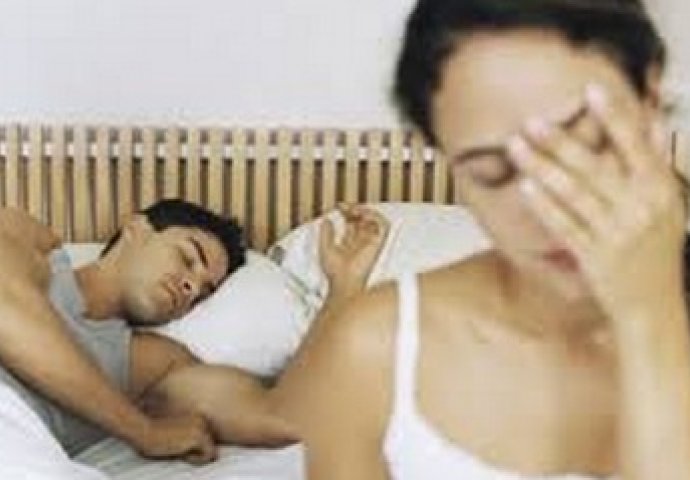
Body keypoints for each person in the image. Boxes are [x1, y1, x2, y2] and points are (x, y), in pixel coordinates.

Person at [271, 0, 690, 478]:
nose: (545, 211)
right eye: (492, 173)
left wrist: (649, 315)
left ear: (649, 98)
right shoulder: (374, 349)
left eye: (582, 149)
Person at [0, 197, 389, 476]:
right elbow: (8, 312)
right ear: (136, 228)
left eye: (203, 292)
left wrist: (344, 288)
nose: (190, 285)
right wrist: (142, 430)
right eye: (188, 258)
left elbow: (285, 417)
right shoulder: (31, 242)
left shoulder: (155, 364)